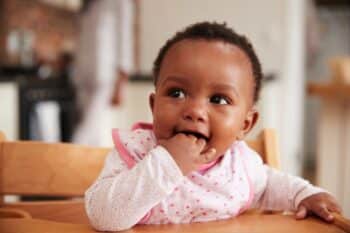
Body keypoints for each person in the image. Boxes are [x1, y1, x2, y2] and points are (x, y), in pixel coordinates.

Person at [85, 22, 341, 231]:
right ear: (154, 106)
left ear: (245, 124)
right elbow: (102, 215)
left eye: (218, 99)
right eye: (176, 93)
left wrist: (305, 195)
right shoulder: (136, 153)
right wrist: (167, 164)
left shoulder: (240, 167)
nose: (195, 111)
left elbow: (273, 186)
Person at [72, 0, 134, 146]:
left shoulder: (121, 2)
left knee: (87, 127)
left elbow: (125, 38)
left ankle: (66, 159)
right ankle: (90, 166)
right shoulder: (89, 5)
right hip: (83, 72)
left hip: (104, 73)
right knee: (96, 129)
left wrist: (121, 82)